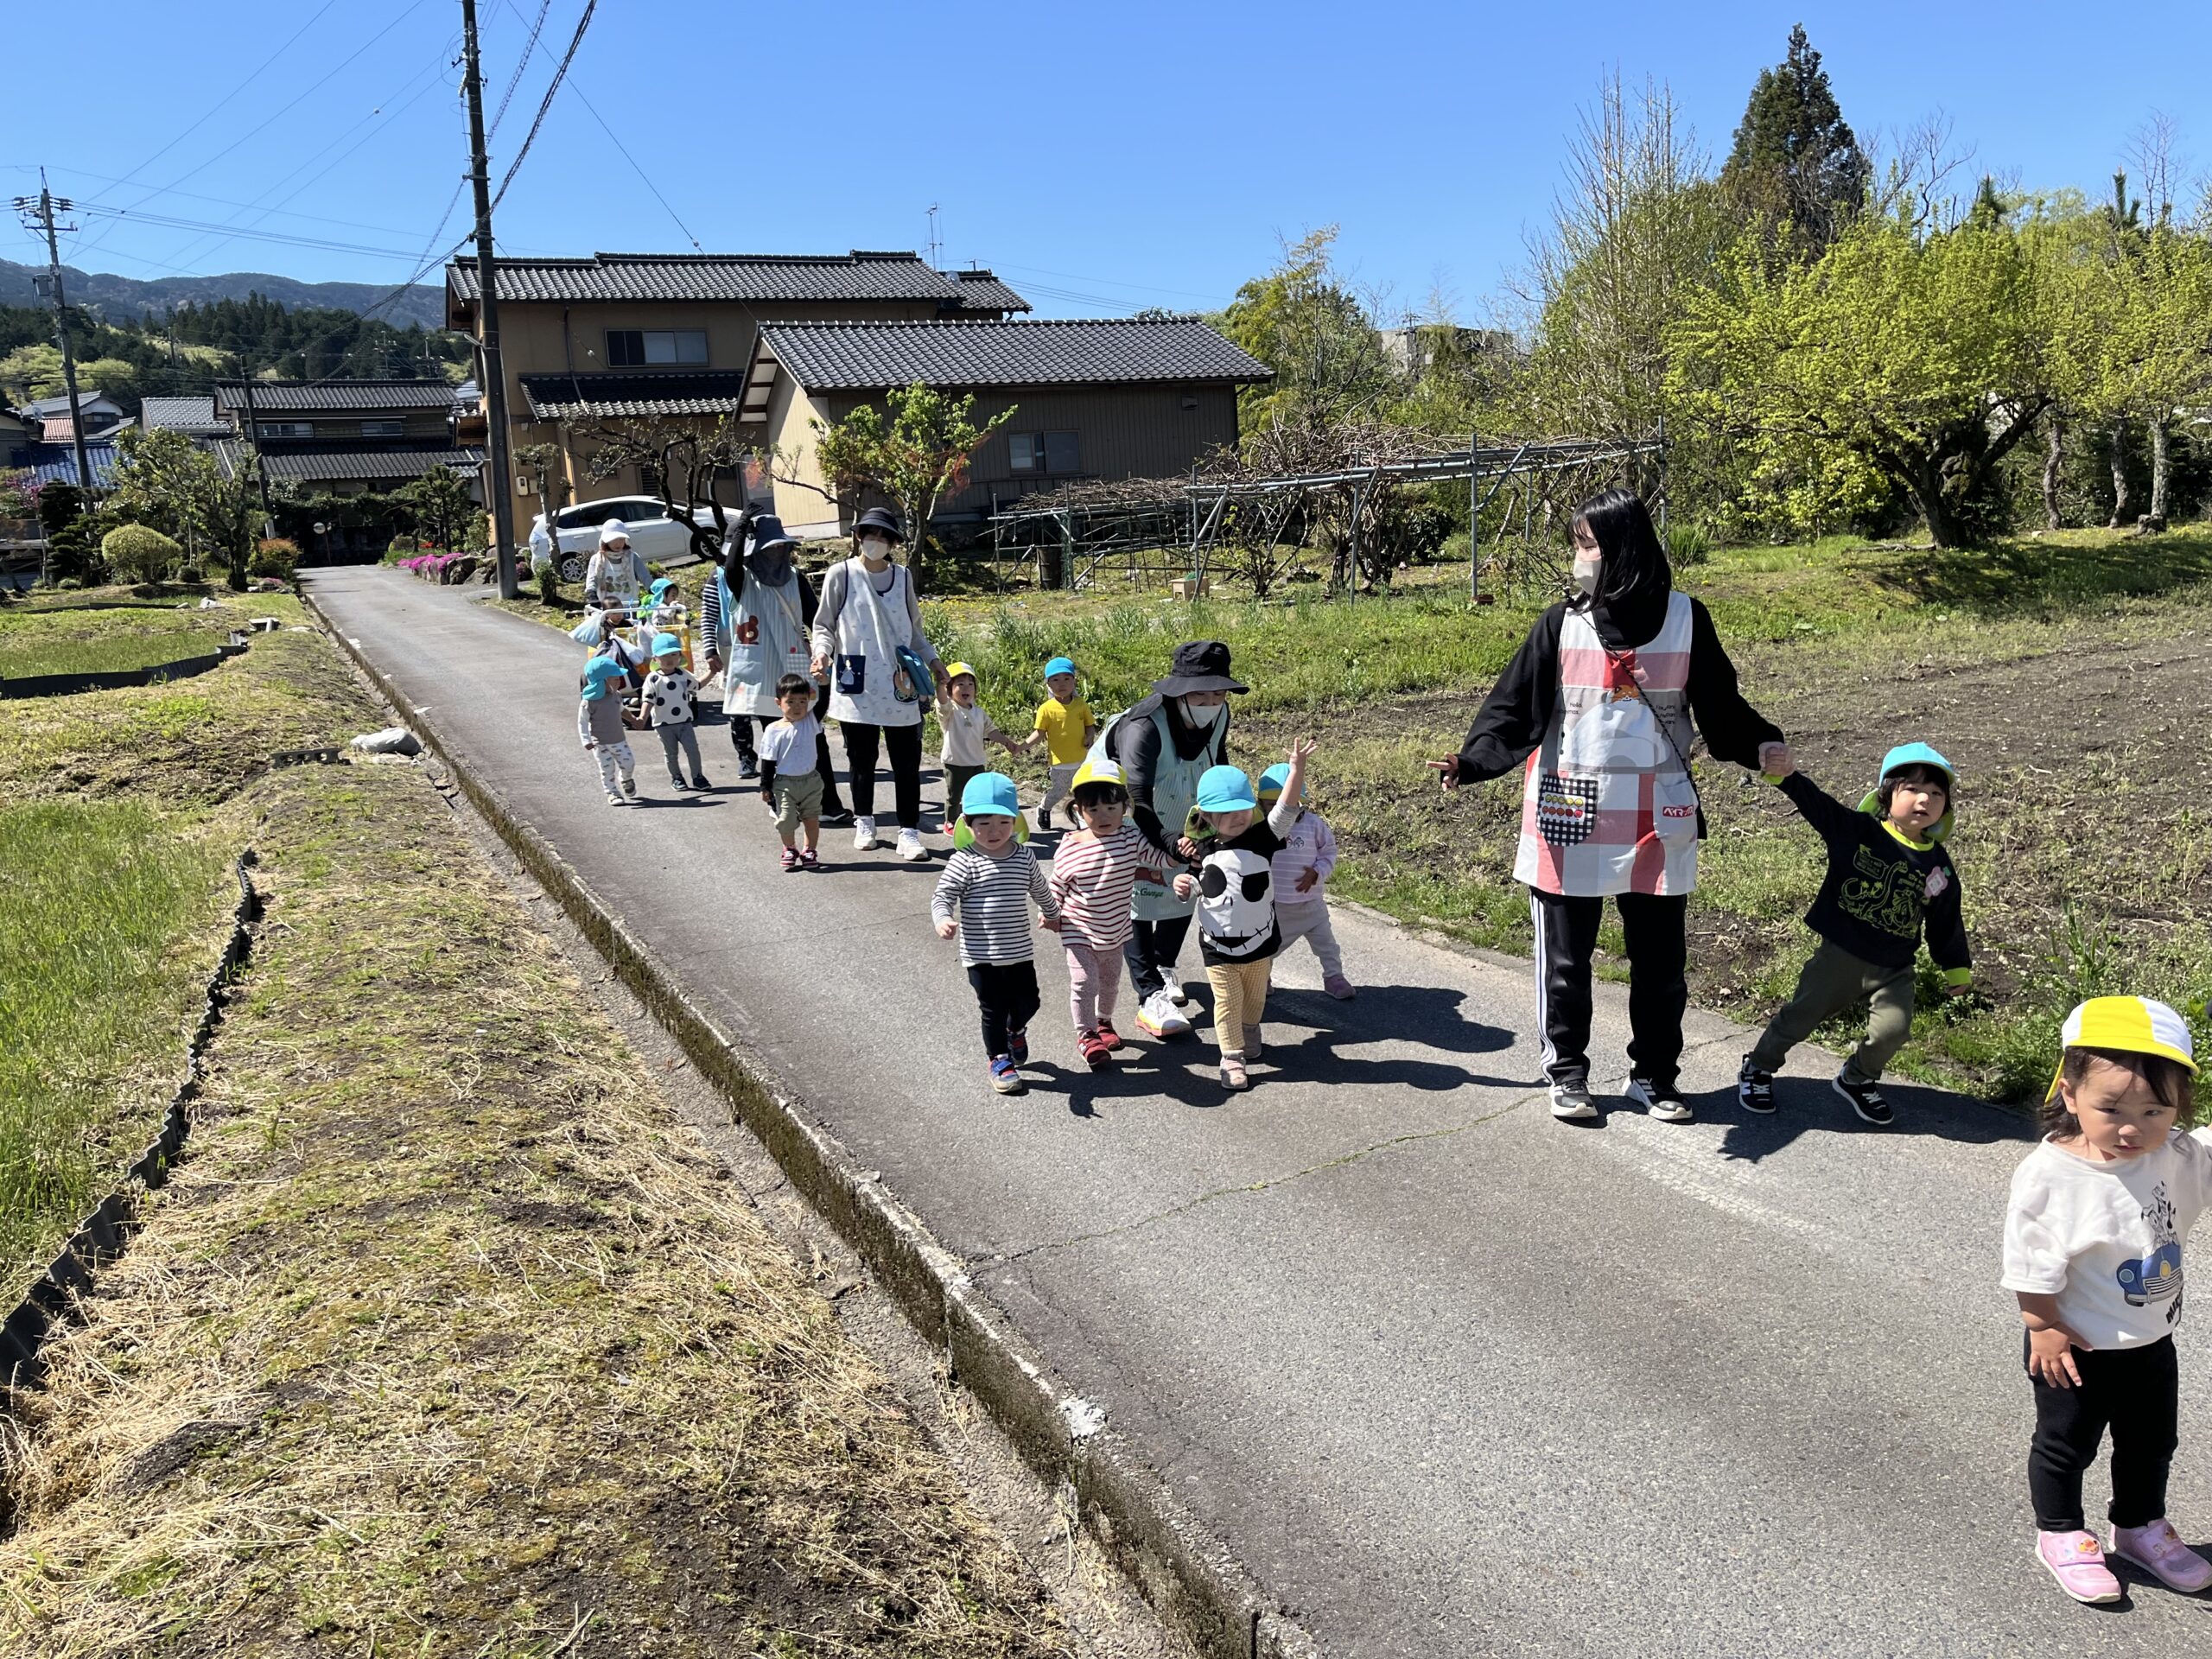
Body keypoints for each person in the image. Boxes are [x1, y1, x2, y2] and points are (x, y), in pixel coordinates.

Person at [1428, 489, 1786, 1126]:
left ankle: (1655, 1075)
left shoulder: (1687, 618)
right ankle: (1567, 1071)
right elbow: (1512, 710)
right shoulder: (1560, 623)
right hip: (1571, 814)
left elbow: (1721, 707)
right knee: (1567, 962)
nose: (1578, 556)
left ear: (1623, 546)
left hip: (1658, 818)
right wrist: (1471, 762)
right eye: (1578, 543)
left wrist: (1762, 744)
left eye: (1586, 543)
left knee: (1661, 966)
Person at [2000, 995, 2211, 1605]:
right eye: (2110, 1108)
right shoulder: (2053, 1176)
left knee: (2152, 1442)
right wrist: (2043, 1326)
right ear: (2069, 1094)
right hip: (2074, 1343)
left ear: (2178, 1107)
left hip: (2150, 1339)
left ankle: (2140, 1525)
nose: (2131, 1127)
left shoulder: (2170, 1154)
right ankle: (2061, 1532)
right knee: (2067, 1444)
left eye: (2154, 1110)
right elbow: (2031, 1258)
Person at [1738, 743, 1973, 1123]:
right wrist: (1786, 777)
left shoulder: (1939, 868)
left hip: (1896, 967)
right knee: (1801, 1016)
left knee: (1892, 1032)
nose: (1924, 800)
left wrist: (1956, 969)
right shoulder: (1858, 832)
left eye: (1936, 794)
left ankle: (1857, 1078)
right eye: (1912, 789)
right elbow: (1818, 806)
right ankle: (1759, 1067)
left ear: (1945, 807)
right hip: (1841, 958)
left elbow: (1946, 919)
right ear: (1886, 793)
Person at [1088, 640, 1245, 1042]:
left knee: (1188, 879)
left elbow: (1217, 762)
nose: (1211, 700)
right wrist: (1167, 843)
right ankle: (1149, 997)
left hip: (1181, 799)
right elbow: (1136, 799)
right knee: (1136, 891)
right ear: (1177, 691)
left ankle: (1163, 963)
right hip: (1120, 809)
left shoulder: (1219, 713)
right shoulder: (1143, 728)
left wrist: (1219, 824)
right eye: (1200, 693)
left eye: (1218, 692)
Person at [1171, 742, 1313, 1090]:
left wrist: (1296, 769)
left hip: (1261, 944)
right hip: (1217, 947)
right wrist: (1182, 882)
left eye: (1244, 808)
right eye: (1227, 811)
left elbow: (1287, 807)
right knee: (1227, 1001)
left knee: (1254, 1001)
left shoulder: (1263, 838)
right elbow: (1192, 881)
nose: (1239, 816)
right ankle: (1231, 1058)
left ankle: (1250, 1028)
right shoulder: (1201, 849)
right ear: (1206, 815)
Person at [810, 505, 949, 861]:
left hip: (899, 680)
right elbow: (823, 623)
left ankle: (909, 832)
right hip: (856, 679)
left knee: (907, 762)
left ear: (892, 542)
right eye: (870, 534)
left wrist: (935, 664)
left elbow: (915, 632)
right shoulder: (840, 574)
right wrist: (822, 653)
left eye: (883, 536)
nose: (876, 541)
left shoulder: (902, 577)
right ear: (858, 537)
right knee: (862, 760)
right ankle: (865, 820)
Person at [931, 772, 1061, 1095]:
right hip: (980, 955)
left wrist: (1054, 914)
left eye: (1003, 823)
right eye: (984, 823)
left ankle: (1015, 1030)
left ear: (1015, 822)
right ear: (967, 823)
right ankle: (999, 1058)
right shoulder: (964, 861)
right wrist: (942, 918)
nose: (994, 832)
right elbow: (943, 895)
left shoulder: (1024, 856)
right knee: (992, 1008)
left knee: (1029, 1002)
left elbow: (1040, 890)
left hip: (1019, 951)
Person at [1048, 757, 1181, 1069]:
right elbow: (1057, 885)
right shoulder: (1071, 845)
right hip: (1077, 928)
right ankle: (1086, 1035)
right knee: (1085, 983)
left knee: (1109, 982)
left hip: (1117, 929)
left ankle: (1104, 1023)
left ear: (1125, 806)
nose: (1103, 815)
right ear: (1079, 811)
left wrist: (1177, 856)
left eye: (1111, 807)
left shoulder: (1130, 837)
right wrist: (1050, 913)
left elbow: (1154, 858)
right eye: (1093, 809)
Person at [1256, 761, 1353, 1001]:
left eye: (1291, 805)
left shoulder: (1313, 824)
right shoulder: (1261, 828)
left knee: (1327, 945)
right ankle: (1261, 977)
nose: (1282, 811)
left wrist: (1318, 871)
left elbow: (1329, 851)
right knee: (1269, 947)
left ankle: (1334, 977)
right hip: (1278, 907)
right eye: (1272, 806)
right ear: (1260, 805)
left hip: (1312, 905)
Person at [1020, 656, 1097, 830]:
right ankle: (1044, 808)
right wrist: (1022, 746)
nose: (1061, 684)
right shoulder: (1046, 709)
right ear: (1048, 684)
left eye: (1066, 679)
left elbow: (1090, 726)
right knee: (1059, 791)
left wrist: (1089, 737)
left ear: (1074, 682)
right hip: (1060, 762)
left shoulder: (1080, 704)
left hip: (1082, 758)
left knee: (1081, 790)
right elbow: (1039, 734)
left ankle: (1081, 821)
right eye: (1055, 680)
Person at [759, 672, 825, 871]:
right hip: (785, 783)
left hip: (811, 782)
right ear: (779, 703)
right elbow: (768, 761)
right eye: (791, 701)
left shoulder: (811, 722)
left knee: (811, 820)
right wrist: (765, 786)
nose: (797, 707)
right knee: (786, 820)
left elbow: (824, 703)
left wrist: (824, 683)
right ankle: (789, 848)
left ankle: (809, 850)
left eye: (803, 701)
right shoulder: (773, 730)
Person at [938, 662, 1018, 826]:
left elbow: (991, 731)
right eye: (960, 684)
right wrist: (940, 684)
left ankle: (973, 820)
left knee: (978, 793)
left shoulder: (978, 712)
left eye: (970, 684)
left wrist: (1006, 742)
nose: (966, 688)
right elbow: (942, 702)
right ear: (949, 689)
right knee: (955, 795)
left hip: (977, 761)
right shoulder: (950, 711)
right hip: (955, 762)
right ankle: (951, 821)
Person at [641, 632, 709, 792]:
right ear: (655, 659)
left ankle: (698, 776)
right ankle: (677, 778)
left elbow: (697, 685)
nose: (670, 659)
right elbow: (648, 698)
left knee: (693, 750)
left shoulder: (682, 674)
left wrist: (712, 672)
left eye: (674, 654)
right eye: (664, 656)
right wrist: (642, 717)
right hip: (663, 724)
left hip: (685, 722)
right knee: (671, 754)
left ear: (680, 656)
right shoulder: (653, 678)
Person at [576, 656, 639, 805]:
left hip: (618, 739)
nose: (619, 681)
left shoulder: (616, 696)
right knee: (607, 769)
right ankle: (612, 793)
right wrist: (586, 740)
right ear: (601, 681)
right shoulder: (589, 702)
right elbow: (582, 722)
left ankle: (626, 779)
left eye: (619, 678)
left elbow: (622, 710)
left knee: (629, 763)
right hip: (600, 743)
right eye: (615, 679)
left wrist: (633, 719)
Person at [584, 519, 648, 613]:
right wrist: (592, 596)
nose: (618, 543)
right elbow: (591, 581)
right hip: (605, 609)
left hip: (630, 609)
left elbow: (646, 578)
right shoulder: (597, 560)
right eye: (613, 540)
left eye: (621, 539)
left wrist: (657, 592)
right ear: (606, 541)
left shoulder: (632, 558)